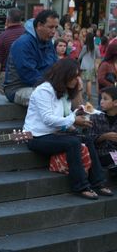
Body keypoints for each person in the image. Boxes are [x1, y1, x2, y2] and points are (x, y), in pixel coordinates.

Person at [23, 58, 113, 200]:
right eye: (74, 76)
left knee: (87, 139)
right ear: (64, 74)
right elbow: (48, 119)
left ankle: (98, 182)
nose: (77, 79)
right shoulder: (44, 90)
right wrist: (73, 119)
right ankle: (80, 186)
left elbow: (65, 116)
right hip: (36, 137)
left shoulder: (63, 91)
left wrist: (77, 115)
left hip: (54, 133)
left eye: (78, 76)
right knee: (73, 143)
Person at [4, 10, 59, 106]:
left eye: (55, 27)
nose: (54, 31)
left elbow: (56, 66)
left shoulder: (48, 41)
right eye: (50, 27)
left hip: (43, 85)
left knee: (73, 88)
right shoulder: (23, 43)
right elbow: (29, 75)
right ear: (39, 25)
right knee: (48, 97)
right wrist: (54, 86)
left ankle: (84, 116)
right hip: (17, 89)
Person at [0, 8, 25, 94]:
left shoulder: (2, 37)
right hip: (25, 73)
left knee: (1, 102)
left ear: (7, 20)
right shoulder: (28, 34)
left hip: (6, 74)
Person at [88, 87, 117, 170]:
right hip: (101, 153)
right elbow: (90, 139)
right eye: (101, 98)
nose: (101, 101)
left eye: (105, 99)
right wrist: (104, 136)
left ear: (115, 103)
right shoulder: (95, 117)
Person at [79, 32, 101, 103]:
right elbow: (99, 56)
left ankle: (86, 95)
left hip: (84, 66)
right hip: (92, 66)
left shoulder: (85, 47)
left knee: (84, 81)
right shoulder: (96, 47)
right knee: (89, 81)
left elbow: (80, 56)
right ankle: (88, 95)